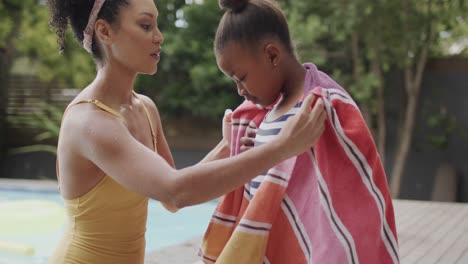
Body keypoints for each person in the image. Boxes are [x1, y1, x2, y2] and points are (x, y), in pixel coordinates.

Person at [45, 0, 326, 263]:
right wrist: (283, 147)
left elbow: (171, 201)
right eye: (145, 26)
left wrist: (226, 148)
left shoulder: (144, 108)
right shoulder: (90, 123)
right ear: (105, 31)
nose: (159, 36)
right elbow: (175, 191)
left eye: (156, 25)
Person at [198, 0, 399, 263]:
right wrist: (251, 153)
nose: (240, 90)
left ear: (272, 55)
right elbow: (268, 180)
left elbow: (350, 195)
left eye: (241, 77)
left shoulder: (323, 107)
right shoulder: (266, 115)